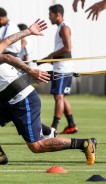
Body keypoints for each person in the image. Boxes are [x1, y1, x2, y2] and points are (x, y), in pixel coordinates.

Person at [0, 19, 97, 166]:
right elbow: (6, 41)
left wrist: (30, 71)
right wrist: (28, 31)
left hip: (23, 99)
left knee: (37, 146)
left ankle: (84, 144)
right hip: (7, 98)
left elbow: (7, 57)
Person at [45, 4, 78, 134]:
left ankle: (54, 127)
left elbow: (67, 48)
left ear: (57, 14)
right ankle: (71, 125)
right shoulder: (61, 27)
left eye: (50, 15)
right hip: (61, 67)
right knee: (61, 97)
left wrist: (51, 56)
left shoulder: (64, 27)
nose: (49, 17)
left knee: (58, 97)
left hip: (63, 68)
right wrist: (51, 58)